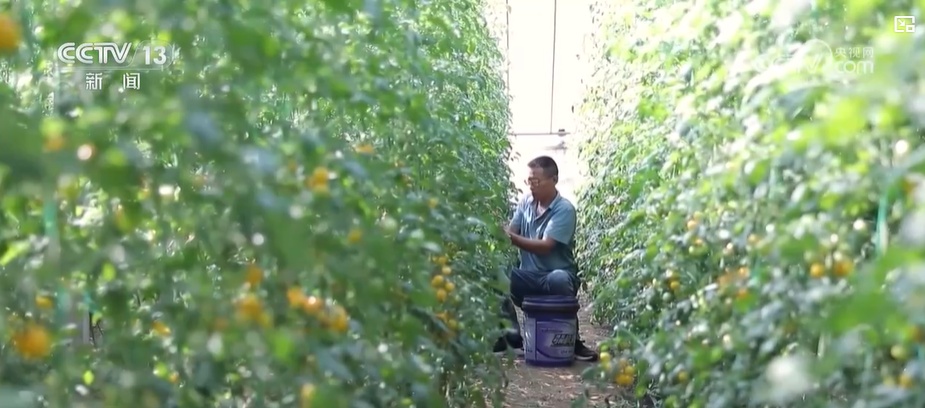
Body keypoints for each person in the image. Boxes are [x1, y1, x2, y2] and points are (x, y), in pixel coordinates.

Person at [493, 156, 599, 362]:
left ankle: (572, 339)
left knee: (559, 278)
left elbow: (545, 246)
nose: (532, 186)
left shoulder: (564, 210)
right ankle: (512, 337)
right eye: (529, 181)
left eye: (536, 181)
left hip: (555, 278)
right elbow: (511, 232)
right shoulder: (525, 203)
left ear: (554, 180)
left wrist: (509, 236)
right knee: (494, 272)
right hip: (528, 278)